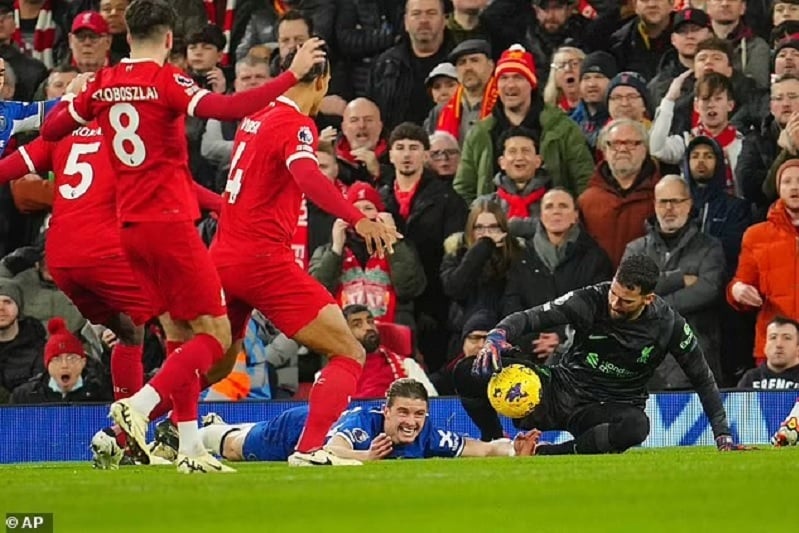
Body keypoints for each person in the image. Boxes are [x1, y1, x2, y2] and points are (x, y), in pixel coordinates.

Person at [39, 0, 329, 474]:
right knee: (214, 336)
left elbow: (52, 128)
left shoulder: (103, 82)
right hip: (170, 225)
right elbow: (228, 106)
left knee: (178, 337)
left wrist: (83, 103)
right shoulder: (165, 80)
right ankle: (138, 407)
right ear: (171, 39)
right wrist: (289, 74)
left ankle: (191, 449)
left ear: (123, 36)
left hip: (128, 231)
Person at [209, 47, 398, 467]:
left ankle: (145, 420)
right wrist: (357, 218)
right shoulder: (295, 124)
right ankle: (310, 448)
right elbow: (309, 176)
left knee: (214, 366)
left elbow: (272, 168)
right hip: (263, 262)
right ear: (322, 83)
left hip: (224, 256)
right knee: (349, 351)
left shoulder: (254, 118)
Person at [455, 254, 741, 453]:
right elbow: (531, 317)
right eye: (614, 292)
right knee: (470, 370)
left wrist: (723, 435)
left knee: (636, 427)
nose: (615, 302)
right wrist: (499, 334)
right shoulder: (590, 299)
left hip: (604, 408)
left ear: (648, 299)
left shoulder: (669, 326)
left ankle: (546, 453)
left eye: (626, 301)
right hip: (557, 388)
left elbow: (702, 378)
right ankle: (495, 440)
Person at [199, 378, 540, 462]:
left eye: (419, 414)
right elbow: (330, 448)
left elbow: (479, 449)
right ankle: (200, 432)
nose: (411, 422)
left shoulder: (428, 435)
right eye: (403, 412)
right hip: (299, 429)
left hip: (318, 430)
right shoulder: (364, 421)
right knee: (232, 448)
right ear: (386, 410)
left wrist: (512, 449)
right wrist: (367, 456)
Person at [737, 316, 799, 390]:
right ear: (765, 346)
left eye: (787, 338)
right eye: (773, 337)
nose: (779, 344)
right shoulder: (750, 378)